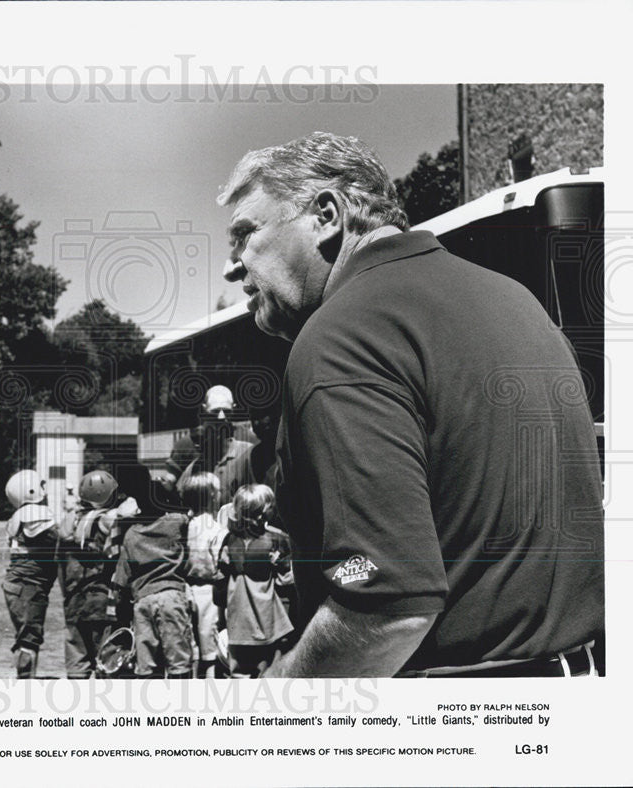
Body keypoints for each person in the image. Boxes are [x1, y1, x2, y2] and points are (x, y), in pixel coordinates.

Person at [220, 132, 604, 677]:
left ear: (326, 215)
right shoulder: (517, 299)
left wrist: (282, 694)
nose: (233, 268)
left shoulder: (343, 334)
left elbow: (383, 605)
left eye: (244, 236)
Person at [109, 483, 194, 678]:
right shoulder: (176, 523)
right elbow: (186, 514)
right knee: (179, 662)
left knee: (146, 664)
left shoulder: (131, 535)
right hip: (172, 597)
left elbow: (122, 577)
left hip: (142, 601)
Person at [216, 484, 296, 677]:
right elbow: (286, 581)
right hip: (269, 620)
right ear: (263, 513)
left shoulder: (229, 541)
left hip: (238, 621)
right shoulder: (276, 540)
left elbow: (219, 582)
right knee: (271, 672)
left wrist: (221, 618)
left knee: (239, 675)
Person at [56, 470, 121, 679]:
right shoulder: (110, 523)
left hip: (74, 599)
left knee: (77, 661)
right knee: (107, 661)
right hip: (102, 601)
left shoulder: (68, 523)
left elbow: (60, 566)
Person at [3, 469, 59, 678]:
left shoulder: (19, 515)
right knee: (29, 638)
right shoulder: (33, 514)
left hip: (20, 584)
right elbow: (59, 537)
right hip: (29, 585)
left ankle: (26, 678)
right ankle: (26, 684)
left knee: (26, 635)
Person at [179, 471, 226, 677]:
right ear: (212, 496)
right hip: (210, 592)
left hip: (186, 589)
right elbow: (220, 564)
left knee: (192, 648)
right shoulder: (217, 529)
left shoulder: (184, 526)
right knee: (211, 651)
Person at [176, 385, 252, 507]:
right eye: (215, 411)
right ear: (204, 411)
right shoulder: (196, 466)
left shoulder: (248, 454)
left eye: (226, 411)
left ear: (234, 410)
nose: (221, 417)